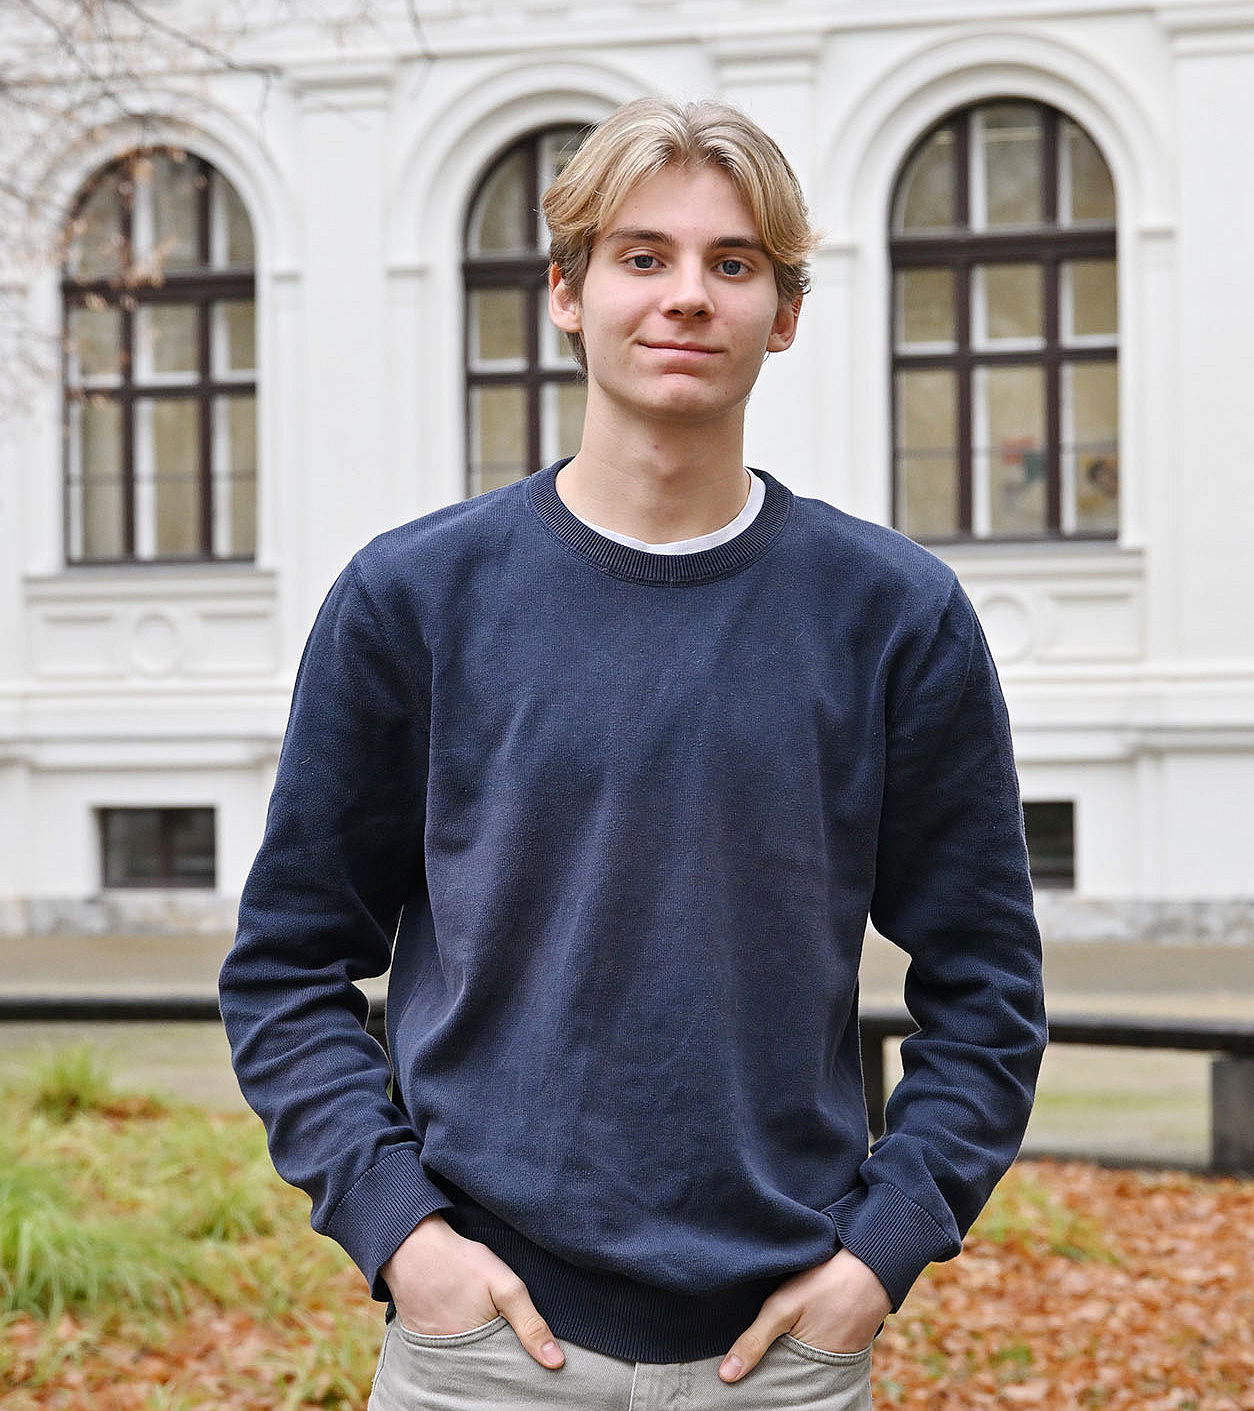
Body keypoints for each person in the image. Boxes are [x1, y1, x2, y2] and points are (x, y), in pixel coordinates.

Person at [218, 95, 1047, 1410]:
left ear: (784, 313)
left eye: (733, 265)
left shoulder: (892, 615)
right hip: (479, 1347)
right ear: (568, 291)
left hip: (780, 1358)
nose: (686, 298)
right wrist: (401, 1235)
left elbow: (990, 982)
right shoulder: (414, 601)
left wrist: (878, 1257)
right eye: (643, 257)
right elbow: (285, 965)